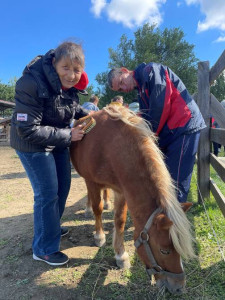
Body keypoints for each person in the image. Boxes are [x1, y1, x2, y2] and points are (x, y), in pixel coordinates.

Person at [10, 41, 90, 266]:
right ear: (55, 63)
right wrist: (68, 136)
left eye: (77, 70)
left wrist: (99, 115)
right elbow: (27, 129)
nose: (72, 75)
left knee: (63, 189)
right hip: (31, 144)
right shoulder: (32, 82)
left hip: (57, 141)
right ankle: (44, 248)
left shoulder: (70, 87)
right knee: (47, 194)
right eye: (66, 68)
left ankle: (51, 227)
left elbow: (74, 109)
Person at [107, 63, 206, 203]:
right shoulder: (141, 89)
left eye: (121, 82)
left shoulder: (151, 70)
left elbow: (160, 105)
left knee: (176, 181)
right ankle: (165, 215)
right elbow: (146, 116)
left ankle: (174, 220)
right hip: (170, 132)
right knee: (165, 177)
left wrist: (147, 136)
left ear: (124, 71)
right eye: (120, 89)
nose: (124, 88)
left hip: (183, 125)